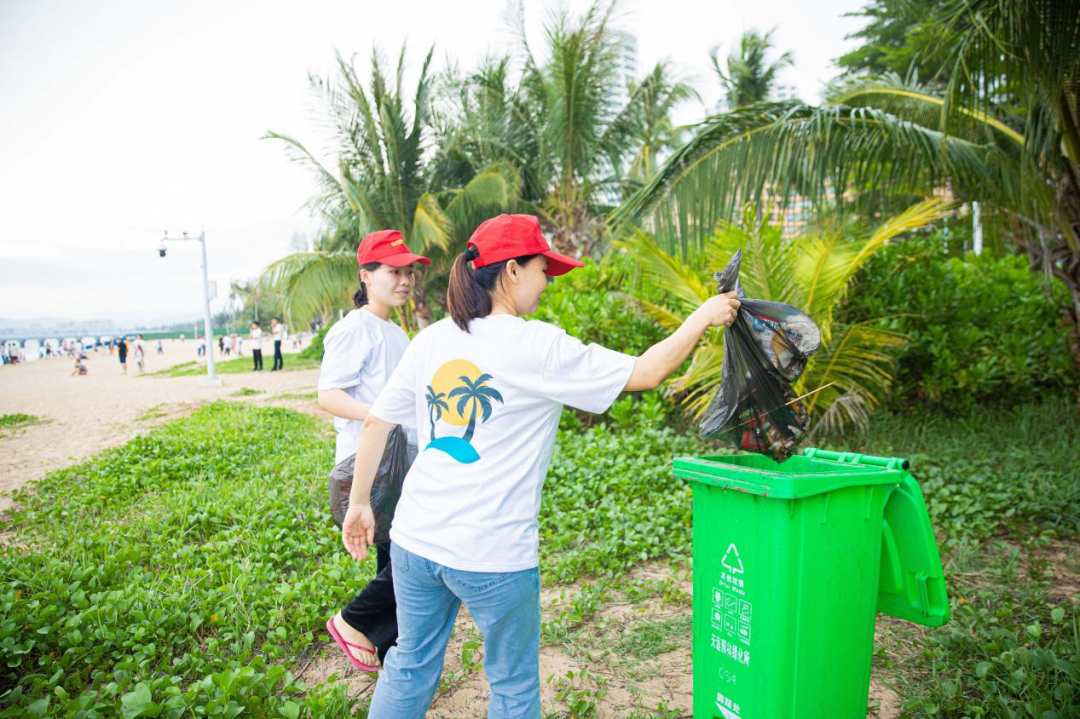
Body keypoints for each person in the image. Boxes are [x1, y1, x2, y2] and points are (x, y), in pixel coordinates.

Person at [342, 215, 740, 718]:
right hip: (493, 556)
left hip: (415, 543)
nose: (547, 281)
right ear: (511, 271)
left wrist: (360, 504)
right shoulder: (536, 344)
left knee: (410, 663)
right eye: (542, 268)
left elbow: (376, 422)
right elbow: (648, 371)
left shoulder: (433, 339)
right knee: (511, 686)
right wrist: (703, 315)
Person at [320, 230, 429, 672]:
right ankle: (353, 620)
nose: (404, 280)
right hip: (372, 462)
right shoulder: (354, 328)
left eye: (408, 272)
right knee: (412, 555)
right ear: (366, 276)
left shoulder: (394, 332)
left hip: (400, 457)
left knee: (398, 555)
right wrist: (379, 415)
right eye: (393, 271)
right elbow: (328, 395)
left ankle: (391, 654)